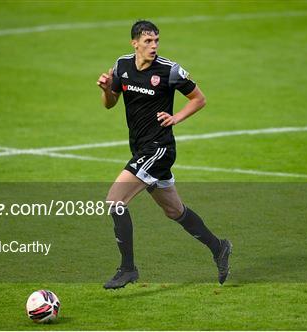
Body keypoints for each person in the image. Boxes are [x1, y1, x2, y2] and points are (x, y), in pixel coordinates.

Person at [96, 20, 231, 290]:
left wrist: (176, 117)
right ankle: (219, 247)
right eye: (148, 41)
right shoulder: (122, 66)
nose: (154, 46)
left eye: (156, 40)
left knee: (114, 201)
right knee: (174, 210)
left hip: (159, 149)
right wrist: (106, 90)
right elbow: (110, 104)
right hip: (140, 148)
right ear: (134, 43)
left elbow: (199, 99)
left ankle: (128, 268)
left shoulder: (169, 70)